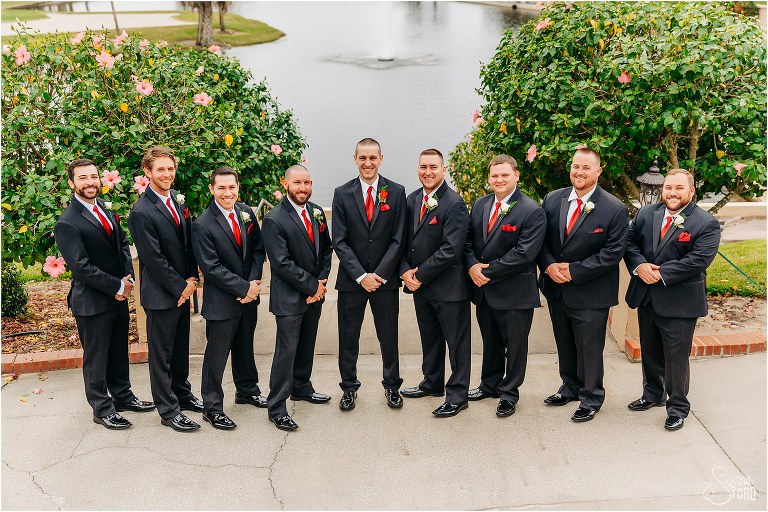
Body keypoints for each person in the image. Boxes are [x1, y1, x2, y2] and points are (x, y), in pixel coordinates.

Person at [54, 158, 154, 429]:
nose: (90, 182)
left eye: (94, 177)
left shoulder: (105, 210)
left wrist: (127, 278)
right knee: (96, 357)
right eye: (83, 178)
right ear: (71, 183)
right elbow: (81, 267)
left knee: (119, 350)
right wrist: (117, 286)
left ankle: (122, 396)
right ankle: (101, 407)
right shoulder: (68, 222)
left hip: (117, 295)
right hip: (92, 301)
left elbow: (121, 243)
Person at [624, 169, 720, 431]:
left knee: (676, 358)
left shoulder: (705, 223)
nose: (672, 193)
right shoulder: (646, 214)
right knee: (650, 350)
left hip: (680, 302)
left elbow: (699, 260)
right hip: (646, 296)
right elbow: (629, 244)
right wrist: (640, 266)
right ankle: (652, 394)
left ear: (691, 191)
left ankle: (677, 407)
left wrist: (660, 273)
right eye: (668, 187)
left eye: (679, 188)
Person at [537, 147, 629, 423]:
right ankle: (570, 387)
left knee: (589, 348)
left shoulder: (615, 209)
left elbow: (612, 253)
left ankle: (591, 396)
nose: (579, 172)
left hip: (591, 293)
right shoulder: (552, 200)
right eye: (576, 166)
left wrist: (574, 271)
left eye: (586, 168)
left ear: (598, 171)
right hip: (556, 287)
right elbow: (540, 240)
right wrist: (549, 265)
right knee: (564, 342)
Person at [464, 154, 546, 417]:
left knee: (515, 347)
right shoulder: (480, 204)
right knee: (491, 342)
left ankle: (509, 393)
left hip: (515, 293)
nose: (498, 180)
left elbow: (524, 254)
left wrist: (487, 271)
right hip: (485, 291)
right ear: (489, 178)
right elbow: (468, 242)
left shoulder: (531, 210)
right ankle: (489, 384)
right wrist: (472, 265)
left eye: (504, 175)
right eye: (494, 175)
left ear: (516, 175)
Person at [128, 146, 203, 432]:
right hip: (162, 294)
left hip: (184, 289)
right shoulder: (141, 211)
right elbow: (152, 258)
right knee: (162, 355)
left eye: (170, 168)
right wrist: (180, 287)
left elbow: (187, 244)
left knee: (181, 348)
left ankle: (182, 394)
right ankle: (168, 410)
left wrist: (193, 279)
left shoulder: (176, 199)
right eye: (160, 169)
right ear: (147, 172)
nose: (167, 174)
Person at [331, 138, 407, 411]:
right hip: (352, 282)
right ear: (355, 159)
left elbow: (399, 239)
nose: (368, 163)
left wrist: (381, 274)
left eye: (372, 158)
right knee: (348, 338)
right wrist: (361, 276)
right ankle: (349, 388)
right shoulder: (342, 193)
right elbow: (339, 241)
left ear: (381, 158)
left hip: (385, 283)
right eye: (362, 158)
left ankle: (392, 386)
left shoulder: (396, 192)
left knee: (389, 337)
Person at [191, 166, 267, 430]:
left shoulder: (246, 213)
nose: (227, 193)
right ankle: (212, 407)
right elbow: (210, 268)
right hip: (223, 301)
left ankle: (247, 390)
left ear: (238, 188)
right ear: (212, 189)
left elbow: (258, 250)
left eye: (231, 187)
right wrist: (243, 288)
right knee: (217, 355)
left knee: (245, 346)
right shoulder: (202, 224)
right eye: (221, 188)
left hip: (250, 295)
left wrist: (254, 283)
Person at [399, 149, 471, 417]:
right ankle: (432, 383)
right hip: (421, 287)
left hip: (449, 288)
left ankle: (458, 395)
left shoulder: (454, 203)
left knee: (457, 343)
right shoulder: (412, 199)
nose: (427, 172)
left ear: (444, 170)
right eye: (423, 166)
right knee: (430, 338)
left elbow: (451, 250)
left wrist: (418, 275)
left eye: (433, 167)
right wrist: (405, 271)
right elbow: (404, 241)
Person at [262, 165, 333, 431]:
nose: (302, 188)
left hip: (315, 294)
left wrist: (322, 280)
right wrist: (312, 285)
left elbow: (327, 248)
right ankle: (277, 405)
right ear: (285, 184)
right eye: (297, 183)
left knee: (306, 344)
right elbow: (281, 263)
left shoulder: (316, 212)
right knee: (286, 351)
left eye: (306, 183)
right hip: (290, 297)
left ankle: (302, 387)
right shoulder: (274, 218)